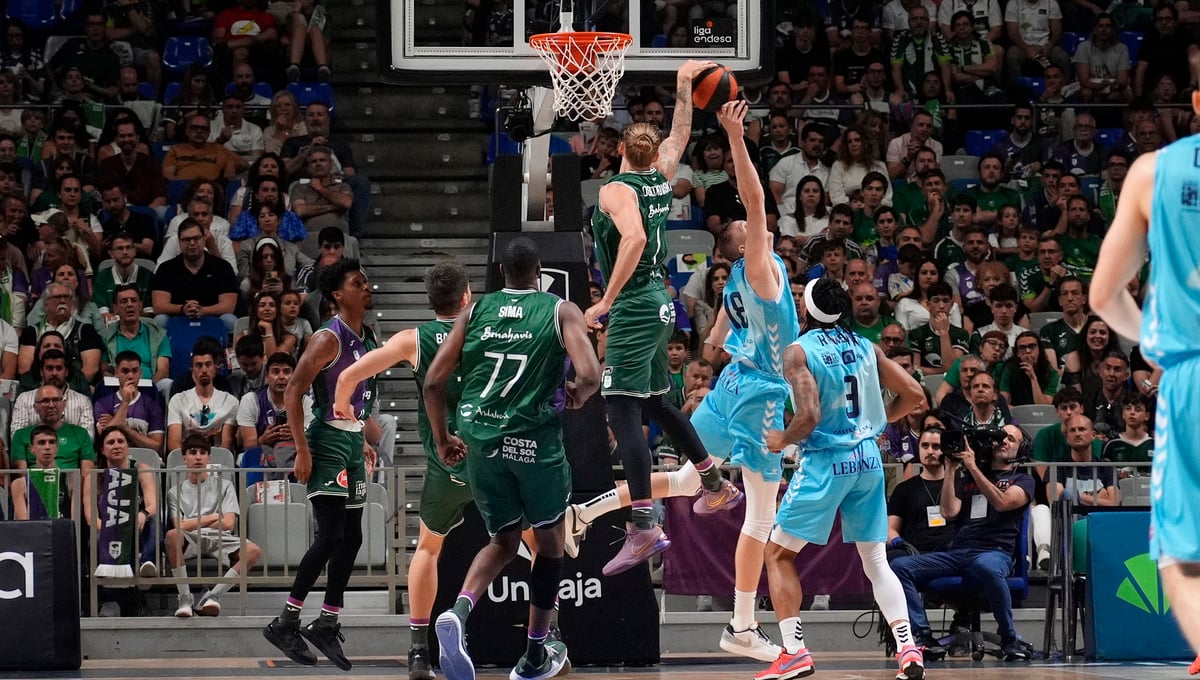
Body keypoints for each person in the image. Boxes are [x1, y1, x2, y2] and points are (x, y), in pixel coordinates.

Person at [583, 60, 738, 574]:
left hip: (633, 303)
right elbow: (681, 132)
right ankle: (713, 483)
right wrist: (683, 84)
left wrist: (605, 300)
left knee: (621, 409)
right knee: (655, 402)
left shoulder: (616, 190)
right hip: (661, 299)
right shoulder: (661, 176)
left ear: (621, 150)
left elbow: (634, 239)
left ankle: (643, 527)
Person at [424, 238, 600, 680]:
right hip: (533, 441)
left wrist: (443, 438)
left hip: (481, 439)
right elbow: (590, 374)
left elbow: (433, 383)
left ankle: (459, 612)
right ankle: (536, 652)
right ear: (538, 272)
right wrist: (578, 394)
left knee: (502, 541)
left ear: (501, 270)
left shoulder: (474, 311)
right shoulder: (560, 310)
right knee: (551, 544)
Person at [759, 278, 926, 680]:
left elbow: (809, 416)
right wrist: (877, 422)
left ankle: (794, 652)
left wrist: (782, 439)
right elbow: (914, 393)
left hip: (826, 461)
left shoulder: (799, 351)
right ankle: (908, 648)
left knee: (778, 554)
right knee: (876, 561)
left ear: (807, 309)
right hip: (868, 459)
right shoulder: (866, 346)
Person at [329, 261, 470, 679]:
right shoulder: (486, 330)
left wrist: (343, 404)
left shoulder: (414, 339)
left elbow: (350, 374)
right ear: (467, 297)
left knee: (427, 549)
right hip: (491, 455)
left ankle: (418, 651)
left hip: (445, 461)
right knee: (538, 541)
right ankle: (545, 638)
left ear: (430, 301)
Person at [262, 258, 378, 671]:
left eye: (365, 281)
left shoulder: (368, 336)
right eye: (357, 283)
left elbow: (358, 395)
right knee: (330, 536)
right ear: (337, 295)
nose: (366, 287)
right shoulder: (328, 338)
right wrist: (302, 450)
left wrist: (362, 436)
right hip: (325, 441)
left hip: (351, 440)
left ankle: (327, 622)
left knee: (353, 537)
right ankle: (286, 621)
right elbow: (293, 391)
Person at [890, 424, 1035, 660]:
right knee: (899, 567)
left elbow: (1002, 503)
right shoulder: (967, 479)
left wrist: (972, 467)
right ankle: (923, 635)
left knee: (987, 567)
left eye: (1011, 439)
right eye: (1000, 437)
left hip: (994, 552)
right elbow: (948, 512)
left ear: (1021, 448)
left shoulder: (1022, 479)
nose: (1004, 441)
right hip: (958, 552)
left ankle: (1009, 638)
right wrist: (950, 470)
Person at [166, 430, 262, 617]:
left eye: (203, 453)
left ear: (208, 458)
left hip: (220, 537)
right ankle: (185, 598)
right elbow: (179, 527)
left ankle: (212, 596)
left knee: (254, 551)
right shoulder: (174, 492)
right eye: (193, 452)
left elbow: (228, 524)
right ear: (184, 458)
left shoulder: (225, 485)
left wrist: (192, 522)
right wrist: (212, 517)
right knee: (172, 536)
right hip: (190, 538)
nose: (198, 457)